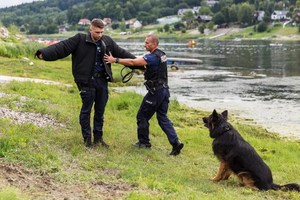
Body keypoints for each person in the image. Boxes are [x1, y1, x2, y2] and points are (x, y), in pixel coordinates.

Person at [35, 19, 137, 148]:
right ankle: (87, 140)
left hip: (102, 81)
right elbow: (62, 47)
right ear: (91, 29)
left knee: (100, 111)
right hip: (86, 81)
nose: (99, 35)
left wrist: (139, 63)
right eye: (97, 32)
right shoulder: (79, 39)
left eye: (101, 32)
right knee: (86, 111)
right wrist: (43, 53)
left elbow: (121, 52)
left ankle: (98, 139)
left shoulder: (107, 41)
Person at [104, 33, 184, 156]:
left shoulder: (152, 57)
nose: (144, 44)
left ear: (154, 44)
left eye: (147, 43)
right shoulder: (162, 54)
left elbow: (132, 62)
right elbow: (152, 67)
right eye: (145, 42)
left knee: (142, 116)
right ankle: (176, 143)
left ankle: (144, 143)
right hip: (164, 91)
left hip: (155, 92)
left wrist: (115, 60)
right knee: (162, 117)